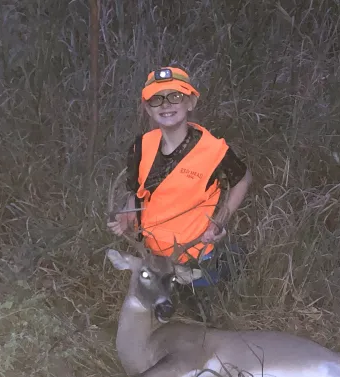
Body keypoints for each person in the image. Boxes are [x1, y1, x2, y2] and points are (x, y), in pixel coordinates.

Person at [107, 66, 252, 284]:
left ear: (190, 102)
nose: (165, 104)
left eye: (175, 96)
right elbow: (138, 193)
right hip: (151, 256)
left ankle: (230, 261)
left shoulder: (213, 150)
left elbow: (244, 179)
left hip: (195, 258)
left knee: (199, 307)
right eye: (156, 99)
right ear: (148, 109)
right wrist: (128, 213)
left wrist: (220, 221)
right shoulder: (141, 146)